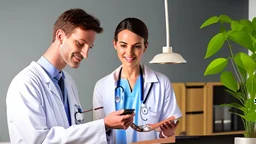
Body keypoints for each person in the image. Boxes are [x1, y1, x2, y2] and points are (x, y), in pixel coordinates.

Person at [6, 8, 134, 144]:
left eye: (89, 47)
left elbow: (73, 135)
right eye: (80, 44)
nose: (85, 54)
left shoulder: (68, 82)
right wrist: (103, 125)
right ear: (60, 36)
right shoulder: (25, 84)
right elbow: (40, 141)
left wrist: (107, 127)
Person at [93, 17, 182, 144]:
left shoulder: (162, 83)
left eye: (136, 46)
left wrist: (166, 133)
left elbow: (167, 134)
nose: (129, 53)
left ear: (145, 46)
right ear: (115, 44)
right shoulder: (102, 86)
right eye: (123, 45)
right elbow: (98, 134)